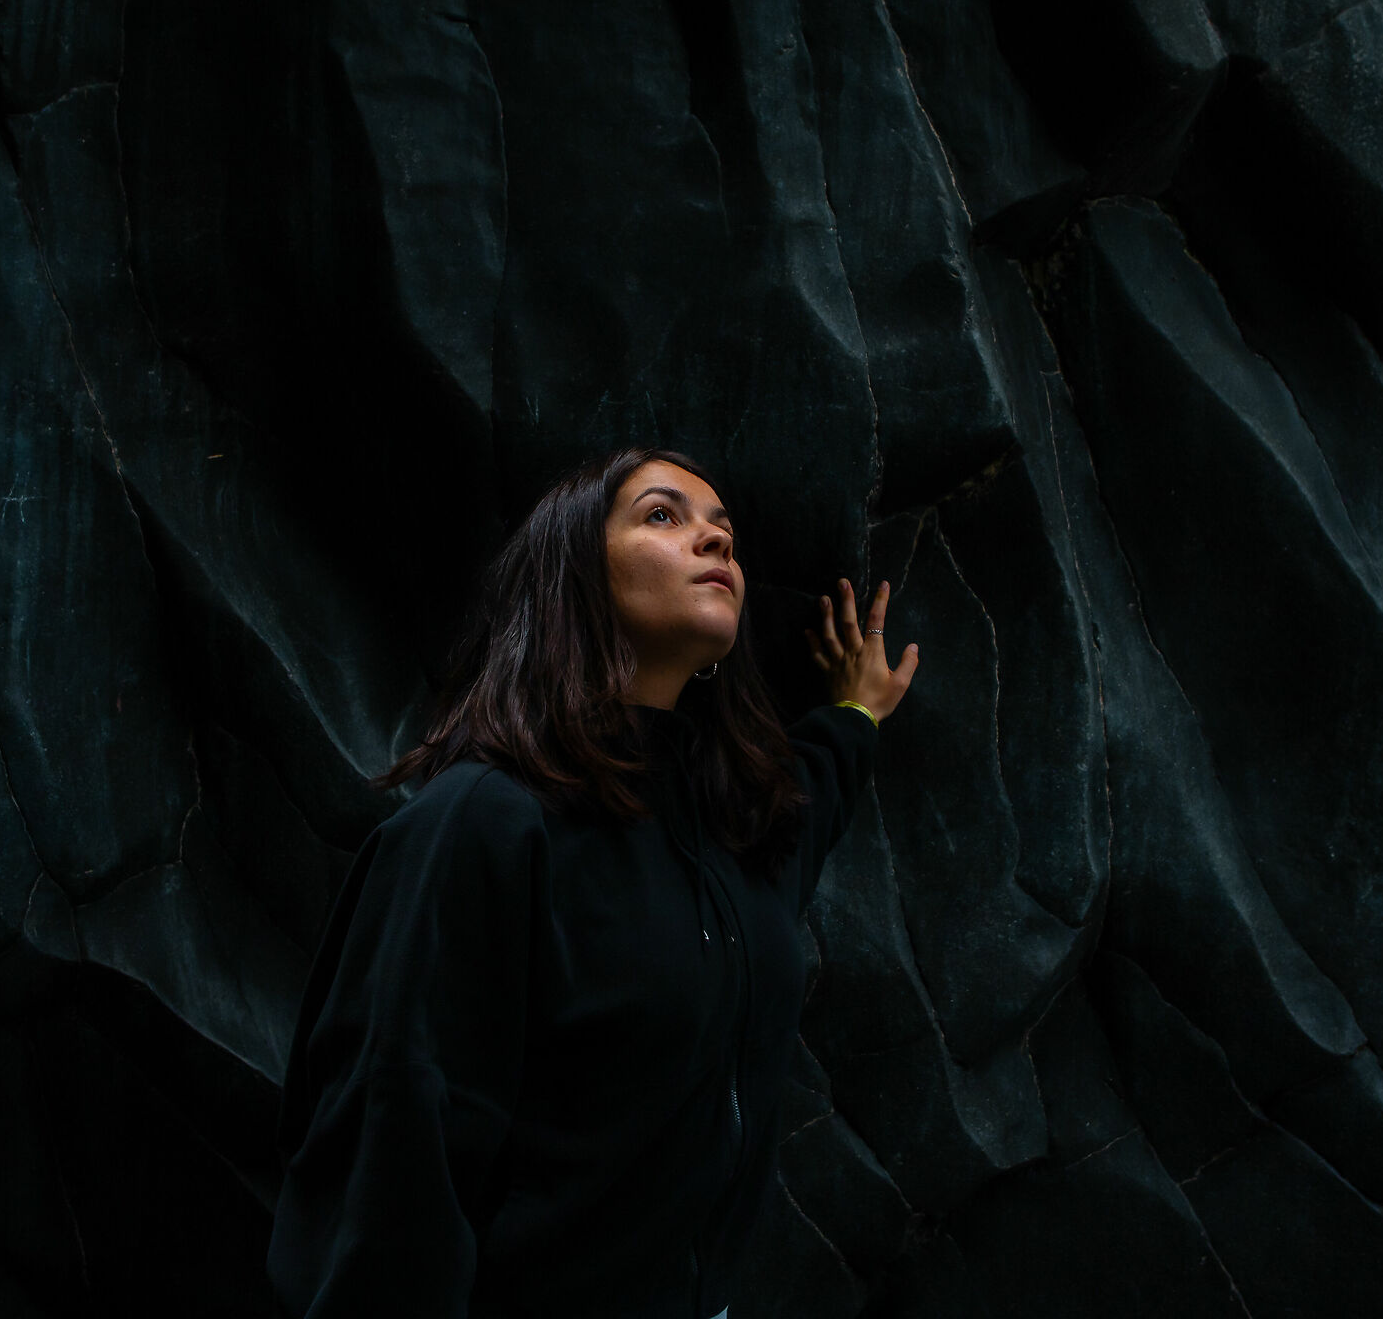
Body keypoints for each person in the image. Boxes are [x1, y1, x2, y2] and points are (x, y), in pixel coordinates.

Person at [267, 447, 921, 1319]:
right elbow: (393, 1151)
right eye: (664, 516)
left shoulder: (729, 833)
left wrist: (855, 713)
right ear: (574, 573)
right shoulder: (483, 823)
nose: (715, 541)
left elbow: (810, 805)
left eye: (724, 530)